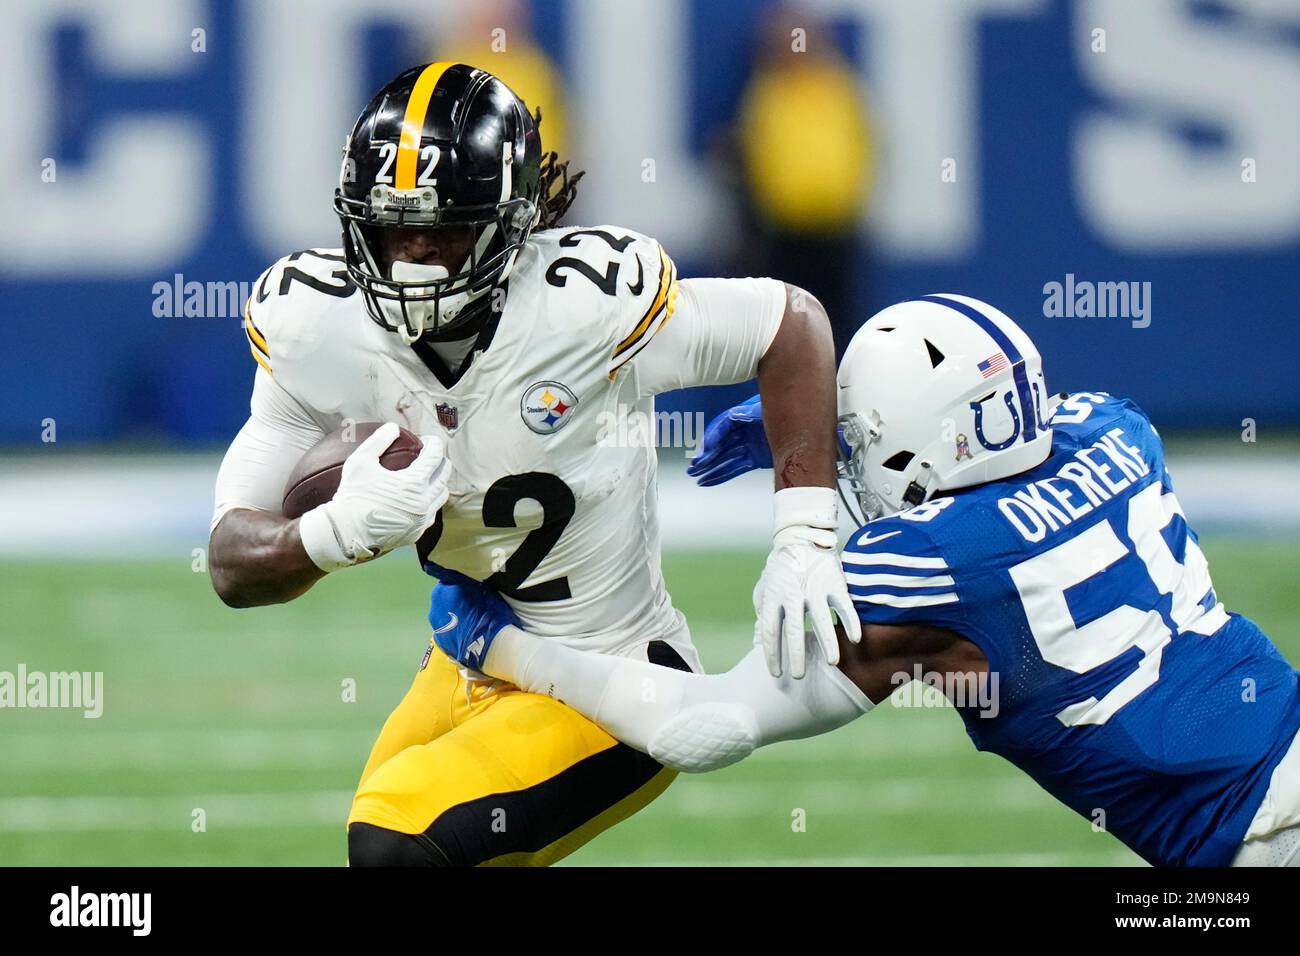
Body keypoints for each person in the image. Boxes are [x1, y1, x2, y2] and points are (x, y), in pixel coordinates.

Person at [207, 62, 855, 866]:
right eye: (390, 229)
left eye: (441, 231)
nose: (411, 258)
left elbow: (789, 324)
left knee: (397, 844)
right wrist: (331, 534)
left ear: (510, 228)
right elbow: (230, 561)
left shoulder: (584, 308)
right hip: (471, 646)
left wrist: (804, 537)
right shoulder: (315, 325)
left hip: (617, 680)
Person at [430, 293, 1300, 867]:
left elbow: (709, 726)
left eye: (856, 438)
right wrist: (813, 433)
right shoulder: (1115, 433)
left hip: (1257, 839)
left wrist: (501, 643)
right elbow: (984, 468)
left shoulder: (935, 568)